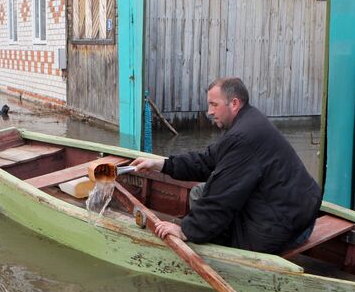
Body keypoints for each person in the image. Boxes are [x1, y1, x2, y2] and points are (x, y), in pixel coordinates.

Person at [131, 77, 322, 254]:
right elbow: (207, 161)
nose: (209, 112)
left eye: (214, 104)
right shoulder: (249, 122)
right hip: (301, 217)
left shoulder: (242, 139)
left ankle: (218, 253)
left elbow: (222, 197)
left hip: (281, 230)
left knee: (205, 197)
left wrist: (186, 230)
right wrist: (162, 164)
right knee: (199, 192)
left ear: (234, 103)